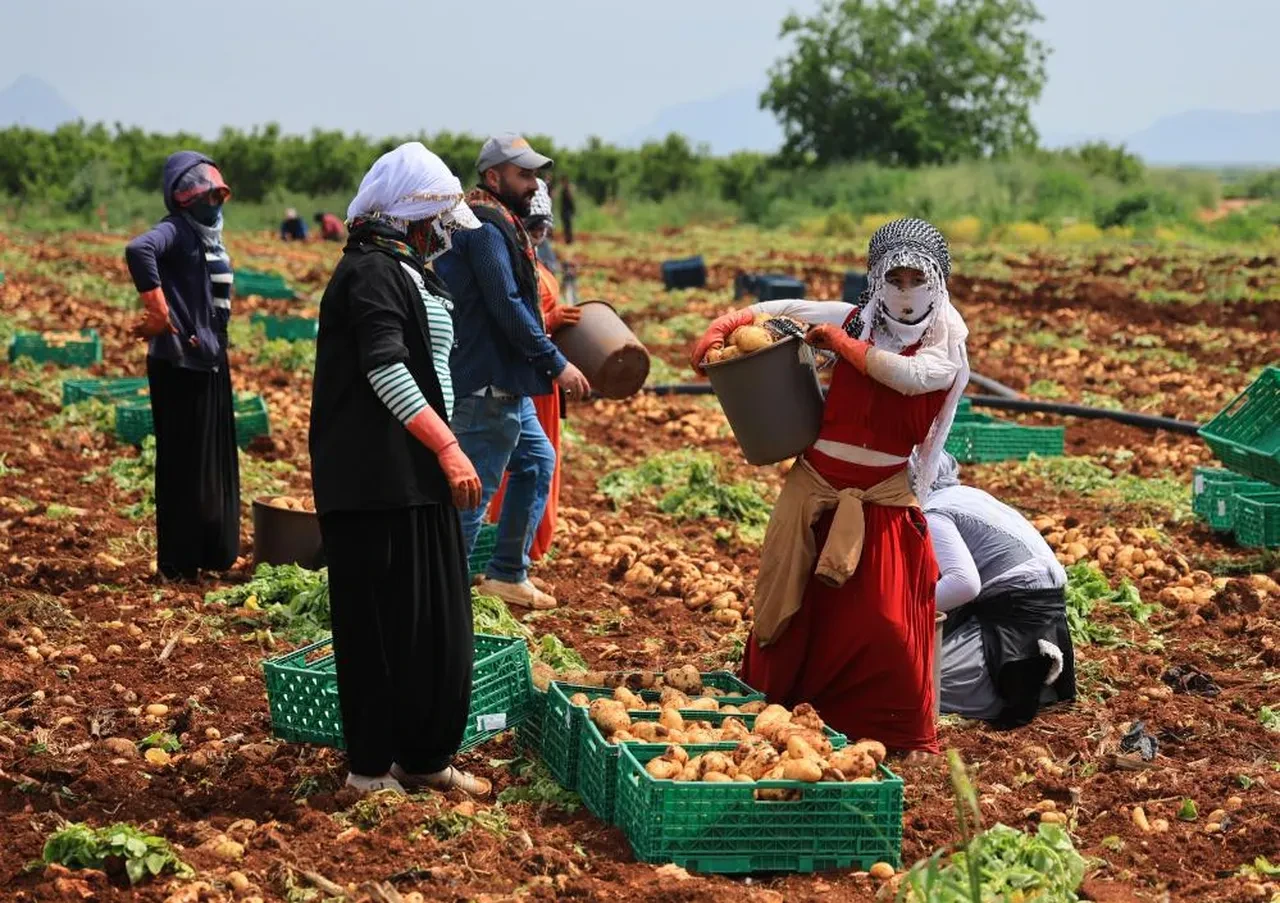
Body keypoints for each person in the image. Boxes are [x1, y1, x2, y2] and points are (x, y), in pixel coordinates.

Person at [691, 218, 970, 754]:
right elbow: (783, 311)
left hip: (881, 499)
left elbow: (908, 378)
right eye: (896, 277)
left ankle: (887, 731)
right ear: (877, 277)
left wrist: (843, 346)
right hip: (816, 484)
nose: (906, 291)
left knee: (884, 622)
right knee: (788, 607)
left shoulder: (946, 348)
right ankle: (780, 716)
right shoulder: (855, 320)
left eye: (918, 279)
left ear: (937, 281)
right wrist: (726, 324)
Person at [309, 141, 489, 797]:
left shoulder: (410, 270)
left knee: (436, 626)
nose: (444, 228)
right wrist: (447, 446)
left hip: (416, 480)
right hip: (376, 480)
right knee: (381, 629)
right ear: (410, 213)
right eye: (437, 215)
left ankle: (422, 756)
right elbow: (385, 368)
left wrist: (438, 455)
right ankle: (369, 770)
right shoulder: (370, 274)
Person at [436, 133, 590, 611]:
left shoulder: (503, 226)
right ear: (493, 177)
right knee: (473, 491)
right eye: (524, 174)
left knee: (536, 462)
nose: (534, 182)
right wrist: (555, 362)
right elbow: (505, 306)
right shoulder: (483, 229)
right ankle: (446, 593)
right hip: (485, 382)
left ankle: (506, 573)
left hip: (507, 381)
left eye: (535, 174)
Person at [124, 152, 239, 582]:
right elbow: (139, 250)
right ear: (186, 199)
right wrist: (158, 313)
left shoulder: (207, 237)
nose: (216, 203)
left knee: (207, 461)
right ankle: (178, 562)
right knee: (182, 462)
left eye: (220, 194)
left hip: (208, 359)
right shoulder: (176, 229)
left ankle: (206, 553)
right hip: (179, 362)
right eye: (208, 196)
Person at [920, 453, 1076, 726]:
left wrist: (906, 611)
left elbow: (963, 583)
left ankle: (1008, 685)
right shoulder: (968, 495)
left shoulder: (934, 512)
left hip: (1015, 610)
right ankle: (1030, 680)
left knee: (915, 684)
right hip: (1043, 608)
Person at [484, 178, 581, 560]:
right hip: (527, 376)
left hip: (545, 377)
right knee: (521, 463)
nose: (539, 234)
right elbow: (515, 320)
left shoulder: (535, 262)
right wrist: (551, 319)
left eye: (544, 227)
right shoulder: (511, 263)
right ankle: (509, 551)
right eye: (533, 226)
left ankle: (526, 549)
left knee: (541, 461)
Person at [559, 179, 576, 244]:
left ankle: (569, 240)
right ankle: (568, 240)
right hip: (566, 211)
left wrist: (572, 209)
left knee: (567, 226)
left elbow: (570, 201)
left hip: (566, 211)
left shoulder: (566, 191)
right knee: (567, 226)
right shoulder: (565, 190)